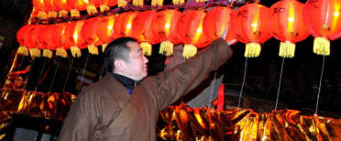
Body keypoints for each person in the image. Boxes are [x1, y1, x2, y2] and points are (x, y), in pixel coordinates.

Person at [58, 37, 232, 141]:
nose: (147, 60)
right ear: (120, 64)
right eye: (140, 54)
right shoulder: (92, 96)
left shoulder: (150, 89)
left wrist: (221, 48)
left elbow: (184, 74)